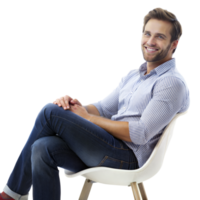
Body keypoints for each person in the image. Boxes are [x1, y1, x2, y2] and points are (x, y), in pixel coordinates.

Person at [0, 7, 191, 200]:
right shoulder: (134, 75)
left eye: (159, 37)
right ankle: (16, 193)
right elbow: (102, 109)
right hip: (105, 147)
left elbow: (141, 133)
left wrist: (86, 118)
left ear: (174, 44)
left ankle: (12, 194)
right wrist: (74, 106)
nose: (150, 41)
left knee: (50, 112)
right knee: (43, 146)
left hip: (127, 158)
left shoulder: (171, 82)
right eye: (147, 34)